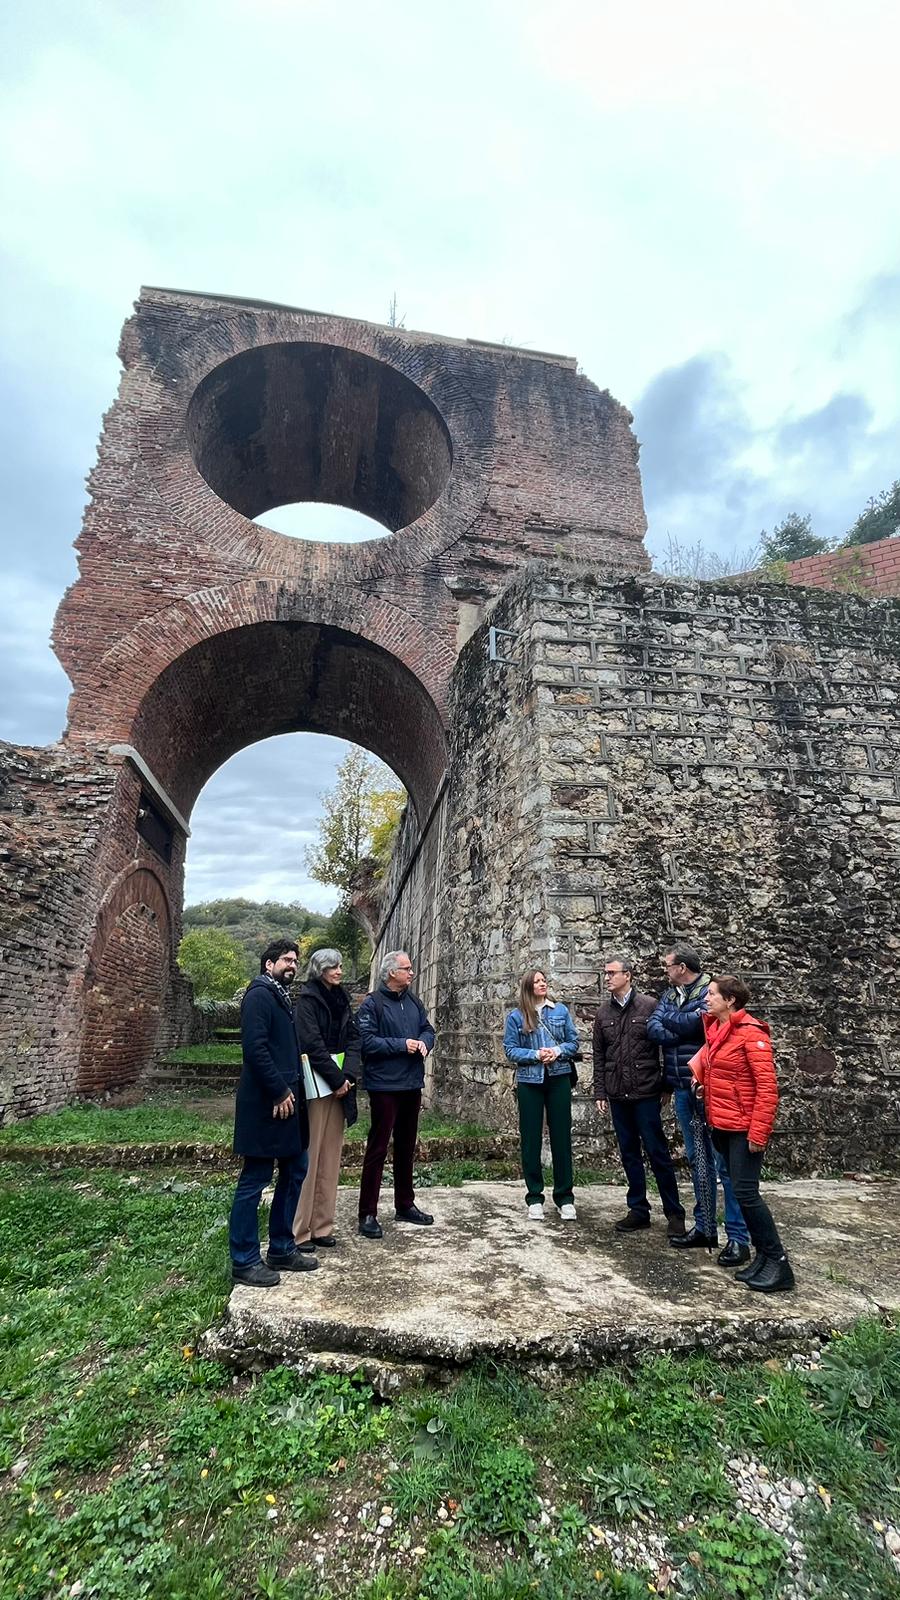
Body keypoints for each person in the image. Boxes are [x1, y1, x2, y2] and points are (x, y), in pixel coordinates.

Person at [647, 944, 751, 1266]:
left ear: (681, 967)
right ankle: (705, 1227)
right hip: (682, 1087)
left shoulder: (712, 991)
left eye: (668, 965)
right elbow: (654, 1027)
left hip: (709, 1090)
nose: (666, 971)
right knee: (697, 1159)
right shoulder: (672, 994)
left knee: (724, 1164)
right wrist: (681, 1024)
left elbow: (696, 1026)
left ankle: (737, 1238)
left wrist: (676, 1024)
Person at [689, 976, 794, 1293]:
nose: (706, 999)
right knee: (741, 1191)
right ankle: (763, 1259)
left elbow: (767, 1089)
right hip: (722, 1124)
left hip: (744, 1129)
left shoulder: (750, 1034)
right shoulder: (717, 1029)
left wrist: (758, 1133)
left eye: (712, 994)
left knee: (747, 1194)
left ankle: (779, 1262)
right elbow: (726, 1077)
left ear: (730, 1000)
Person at [228, 939, 317, 1287]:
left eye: (295, 960)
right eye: (285, 960)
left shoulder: (280, 996)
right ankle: (244, 1259)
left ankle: (281, 1246)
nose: (292, 965)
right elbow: (255, 1048)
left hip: (291, 1104)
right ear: (268, 964)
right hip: (268, 1104)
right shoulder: (259, 996)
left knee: (296, 1168)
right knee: (255, 1179)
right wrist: (279, 1090)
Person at [593, 954, 686, 1237]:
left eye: (612, 973)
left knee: (658, 1152)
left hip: (646, 1092)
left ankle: (674, 1213)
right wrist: (600, 1091)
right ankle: (638, 1210)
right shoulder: (603, 1013)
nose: (607, 978)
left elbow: (665, 1047)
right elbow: (599, 1054)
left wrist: (667, 1086)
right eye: (605, 973)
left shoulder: (650, 1006)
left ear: (628, 975)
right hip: (617, 1094)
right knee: (629, 1153)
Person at [356, 950, 436, 1238]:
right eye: (407, 968)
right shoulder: (372, 1005)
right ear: (391, 972)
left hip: (411, 1084)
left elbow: (428, 1029)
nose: (411, 973)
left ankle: (405, 1204)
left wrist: (426, 1042)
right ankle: (367, 1213)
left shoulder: (413, 1002)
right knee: (377, 1148)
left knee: (406, 1146)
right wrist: (403, 1044)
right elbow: (367, 1042)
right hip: (384, 1086)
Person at [292, 947, 360, 1253]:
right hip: (317, 1087)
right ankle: (300, 1230)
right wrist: (336, 1079)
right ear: (321, 970)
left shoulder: (342, 999)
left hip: (340, 1087)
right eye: (334, 967)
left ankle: (322, 1226)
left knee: (331, 1157)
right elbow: (311, 1043)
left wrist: (348, 1077)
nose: (340, 971)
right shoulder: (307, 1002)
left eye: (341, 966)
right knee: (311, 1155)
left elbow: (355, 1038)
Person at [503, 968, 580, 1221]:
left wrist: (557, 1051)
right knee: (531, 1139)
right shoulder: (516, 1017)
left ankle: (564, 1197)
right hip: (529, 1081)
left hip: (558, 1078)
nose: (542, 984)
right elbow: (510, 1050)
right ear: (528, 987)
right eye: (537, 981)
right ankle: (534, 1196)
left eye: (544, 980)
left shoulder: (559, 1011)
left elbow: (573, 1042)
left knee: (561, 1137)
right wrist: (535, 1055)